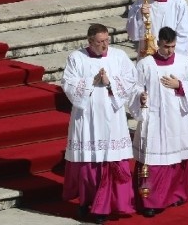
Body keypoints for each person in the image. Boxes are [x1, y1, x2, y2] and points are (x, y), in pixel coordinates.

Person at [62, 24, 136, 224]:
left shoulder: (119, 56)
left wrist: (110, 80)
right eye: (100, 42)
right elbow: (68, 84)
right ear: (89, 42)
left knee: (113, 160)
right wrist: (91, 81)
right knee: (89, 165)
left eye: (106, 40)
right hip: (87, 120)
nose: (105, 45)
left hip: (112, 119)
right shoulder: (76, 58)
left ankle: (109, 206)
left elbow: (131, 80)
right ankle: (87, 202)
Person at [130, 27, 188, 217]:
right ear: (158, 44)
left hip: (176, 119)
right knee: (153, 162)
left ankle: (176, 195)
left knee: (177, 160)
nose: (170, 50)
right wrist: (140, 97)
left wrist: (180, 86)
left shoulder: (185, 63)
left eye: (173, 46)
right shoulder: (145, 64)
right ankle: (150, 201)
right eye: (166, 46)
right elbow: (134, 88)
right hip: (154, 119)